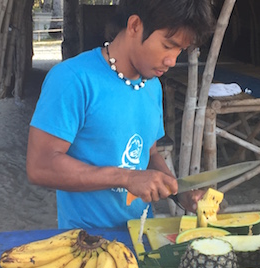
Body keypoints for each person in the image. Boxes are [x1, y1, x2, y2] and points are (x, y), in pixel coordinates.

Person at [27, 0, 215, 229]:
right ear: (135, 25)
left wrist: (178, 192)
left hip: (141, 233)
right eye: (167, 45)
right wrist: (126, 178)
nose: (172, 61)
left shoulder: (152, 85)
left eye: (180, 50)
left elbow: (149, 153)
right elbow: (40, 166)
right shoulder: (73, 79)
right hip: (86, 242)